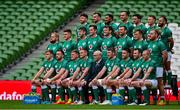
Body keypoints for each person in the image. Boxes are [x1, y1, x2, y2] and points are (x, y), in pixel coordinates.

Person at [148, 29, 168, 105]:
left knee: (159, 83)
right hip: (150, 66)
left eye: (152, 33)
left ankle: (162, 99)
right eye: (149, 33)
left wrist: (161, 64)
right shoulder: (149, 43)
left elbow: (165, 55)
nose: (150, 35)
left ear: (156, 35)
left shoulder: (160, 43)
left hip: (158, 66)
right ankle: (154, 99)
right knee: (152, 82)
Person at [158, 16, 174, 87]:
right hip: (160, 52)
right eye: (158, 20)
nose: (159, 22)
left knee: (167, 67)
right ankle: (163, 83)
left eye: (160, 21)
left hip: (166, 51)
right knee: (162, 67)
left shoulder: (167, 30)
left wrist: (169, 49)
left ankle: (169, 83)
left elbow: (171, 41)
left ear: (164, 22)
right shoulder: (159, 30)